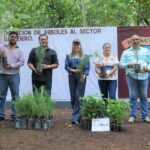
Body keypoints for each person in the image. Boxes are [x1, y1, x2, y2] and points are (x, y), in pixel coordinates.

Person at [120, 34, 150, 123]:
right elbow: (121, 64)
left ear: (139, 41)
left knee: (144, 96)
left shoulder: (146, 51)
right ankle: (132, 116)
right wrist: (128, 65)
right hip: (131, 75)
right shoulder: (126, 52)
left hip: (144, 76)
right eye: (134, 40)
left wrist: (147, 68)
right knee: (133, 96)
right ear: (131, 41)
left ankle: (145, 116)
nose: (135, 41)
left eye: (137, 39)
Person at [0, 31, 25, 120]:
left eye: (14, 37)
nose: (13, 38)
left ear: (17, 38)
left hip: (14, 75)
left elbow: (22, 62)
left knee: (15, 96)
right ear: (8, 37)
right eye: (11, 36)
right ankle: (1, 114)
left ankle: (14, 114)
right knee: (1, 96)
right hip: (2, 75)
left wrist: (12, 66)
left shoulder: (20, 49)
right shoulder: (2, 48)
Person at [65, 39, 90, 124]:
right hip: (72, 75)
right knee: (73, 97)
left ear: (80, 46)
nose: (76, 46)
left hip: (81, 76)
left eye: (77, 45)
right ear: (72, 46)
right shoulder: (68, 55)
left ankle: (75, 118)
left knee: (78, 96)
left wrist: (85, 74)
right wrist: (72, 70)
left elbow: (87, 67)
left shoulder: (84, 56)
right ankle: (78, 115)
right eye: (74, 45)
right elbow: (66, 66)